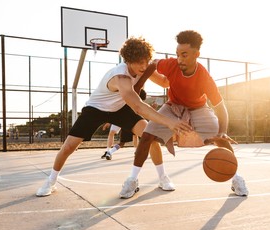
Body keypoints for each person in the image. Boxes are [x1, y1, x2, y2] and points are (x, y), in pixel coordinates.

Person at [36, 36, 191, 197]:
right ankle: (51, 181)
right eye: (139, 62)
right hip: (96, 108)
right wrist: (169, 122)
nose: (144, 66)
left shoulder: (145, 68)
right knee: (69, 146)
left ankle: (162, 178)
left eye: (146, 61)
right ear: (129, 60)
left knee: (150, 136)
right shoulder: (120, 77)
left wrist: (177, 66)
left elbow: (165, 83)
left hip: (120, 108)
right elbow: (138, 106)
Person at [120, 30, 248, 199]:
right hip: (173, 106)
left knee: (220, 137)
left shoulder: (204, 77)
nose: (180, 59)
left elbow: (221, 108)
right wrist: (139, 86)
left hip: (198, 109)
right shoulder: (172, 64)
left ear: (197, 54)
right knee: (147, 136)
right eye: (178, 54)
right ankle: (132, 180)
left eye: (184, 55)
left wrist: (223, 130)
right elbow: (153, 64)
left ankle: (236, 178)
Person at [101, 89, 147, 160]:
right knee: (146, 138)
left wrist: (109, 122)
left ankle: (110, 152)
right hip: (133, 124)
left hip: (126, 124)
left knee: (122, 143)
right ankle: (138, 152)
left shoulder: (128, 101)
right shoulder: (136, 104)